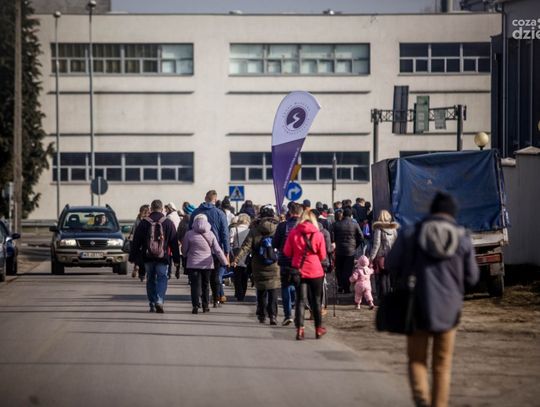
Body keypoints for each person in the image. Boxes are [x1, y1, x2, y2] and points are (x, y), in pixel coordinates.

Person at [386, 192, 479, 407]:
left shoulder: (411, 233)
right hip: (450, 311)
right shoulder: (463, 238)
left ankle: (422, 399)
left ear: (432, 211)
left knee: (417, 359)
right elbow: (472, 277)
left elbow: (391, 263)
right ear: (452, 214)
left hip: (417, 307)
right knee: (442, 364)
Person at [129, 199, 180, 313]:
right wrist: (176, 260)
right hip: (163, 257)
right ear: (162, 209)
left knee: (150, 279)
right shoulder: (168, 223)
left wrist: (133, 257)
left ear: (151, 209)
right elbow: (174, 242)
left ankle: (152, 303)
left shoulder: (144, 222)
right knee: (162, 278)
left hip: (148, 257)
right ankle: (159, 300)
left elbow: (136, 241)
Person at [232, 205, 280, 325]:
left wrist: (236, 259)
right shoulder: (277, 229)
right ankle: (273, 315)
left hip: (258, 264)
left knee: (261, 290)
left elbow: (246, 247)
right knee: (273, 290)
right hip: (274, 264)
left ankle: (262, 314)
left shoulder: (254, 230)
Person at [283, 210, 327, 340]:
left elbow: (287, 252)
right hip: (315, 270)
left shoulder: (293, 233)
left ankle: (300, 329)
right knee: (316, 300)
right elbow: (322, 255)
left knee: (300, 300)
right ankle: (318, 329)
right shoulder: (318, 234)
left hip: (299, 270)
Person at [190, 190, 230, 307]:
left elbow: (189, 230)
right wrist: (226, 251)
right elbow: (225, 234)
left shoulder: (195, 212)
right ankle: (216, 299)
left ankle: (201, 300)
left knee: (200, 278)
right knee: (215, 277)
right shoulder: (220, 213)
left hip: (197, 250)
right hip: (215, 250)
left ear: (205, 198)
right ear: (215, 200)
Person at [182, 214, 229, 314]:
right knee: (206, 285)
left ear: (194, 222)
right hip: (207, 265)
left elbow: (184, 249)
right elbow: (217, 250)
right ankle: (205, 306)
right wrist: (225, 261)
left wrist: (185, 255)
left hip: (193, 264)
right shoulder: (211, 234)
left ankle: (195, 305)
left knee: (194, 285)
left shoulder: (189, 234)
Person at [273, 202, 303, 326]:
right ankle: (298, 316)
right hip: (300, 262)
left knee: (285, 286)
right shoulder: (303, 226)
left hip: (285, 261)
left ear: (289, 212)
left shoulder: (282, 226)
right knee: (299, 288)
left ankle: (287, 315)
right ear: (300, 213)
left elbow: (275, 243)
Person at [331, 207, 364, 294]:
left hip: (339, 250)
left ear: (343, 215)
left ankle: (340, 286)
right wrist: (355, 246)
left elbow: (332, 237)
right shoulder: (355, 224)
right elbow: (361, 237)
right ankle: (346, 287)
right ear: (351, 215)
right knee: (348, 270)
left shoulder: (336, 224)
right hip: (350, 250)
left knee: (339, 269)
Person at [369, 209, 399, 301]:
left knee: (382, 277)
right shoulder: (393, 228)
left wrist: (371, 257)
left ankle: (384, 298)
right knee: (389, 276)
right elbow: (396, 242)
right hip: (391, 256)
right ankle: (390, 297)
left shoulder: (379, 229)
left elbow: (376, 244)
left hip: (381, 256)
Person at [229, 214, 251, 301]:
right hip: (247, 254)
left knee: (237, 276)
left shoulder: (233, 229)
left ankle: (238, 293)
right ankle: (243, 293)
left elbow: (230, 242)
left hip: (236, 253)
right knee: (245, 276)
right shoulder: (250, 231)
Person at [129, 204, 150, 279]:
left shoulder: (137, 219)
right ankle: (141, 271)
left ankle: (137, 266)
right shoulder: (147, 220)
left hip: (137, 241)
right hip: (144, 241)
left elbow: (133, 230)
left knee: (138, 256)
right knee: (143, 257)